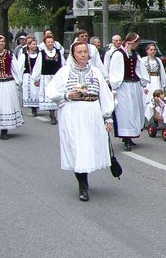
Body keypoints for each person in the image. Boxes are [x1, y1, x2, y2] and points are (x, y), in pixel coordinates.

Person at [46, 40, 115, 202]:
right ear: (73, 55)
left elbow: (104, 95)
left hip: (91, 113)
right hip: (72, 113)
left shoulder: (96, 72)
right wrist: (67, 95)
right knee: (77, 147)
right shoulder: (65, 72)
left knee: (87, 147)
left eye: (85, 52)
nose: (83, 55)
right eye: (79, 52)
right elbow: (51, 90)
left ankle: (85, 178)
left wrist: (108, 117)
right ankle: (82, 184)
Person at [109, 32, 149, 151]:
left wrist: (143, 83)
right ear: (132, 42)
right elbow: (115, 71)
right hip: (123, 87)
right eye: (137, 43)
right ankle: (125, 138)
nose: (137, 45)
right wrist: (114, 87)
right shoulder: (118, 54)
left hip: (134, 86)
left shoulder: (135, 54)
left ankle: (130, 136)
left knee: (134, 111)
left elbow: (139, 69)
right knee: (125, 112)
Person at [31, 34, 66, 125]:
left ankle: (58, 114)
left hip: (56, 77)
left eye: (51, 42)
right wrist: (36, 79)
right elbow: (38, 66)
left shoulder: (58, 52)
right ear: (45, 43)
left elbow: (63, 65)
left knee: (58, 94)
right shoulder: (41, 53)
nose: (50, 43)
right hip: (46, 77)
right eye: (48, 42)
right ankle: (52, 115)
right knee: (49, 96)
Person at [17, 37, 40, 116]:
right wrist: (19, 79)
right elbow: (20, 68)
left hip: (37, 76)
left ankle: (36, 107)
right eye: (33, 44)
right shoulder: (24, 56)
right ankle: (33, 109)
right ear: (29, 45)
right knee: (31, 92)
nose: (35, 46)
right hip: (28, 77)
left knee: (37, 92)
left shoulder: (39, 55)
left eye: (35, 44)